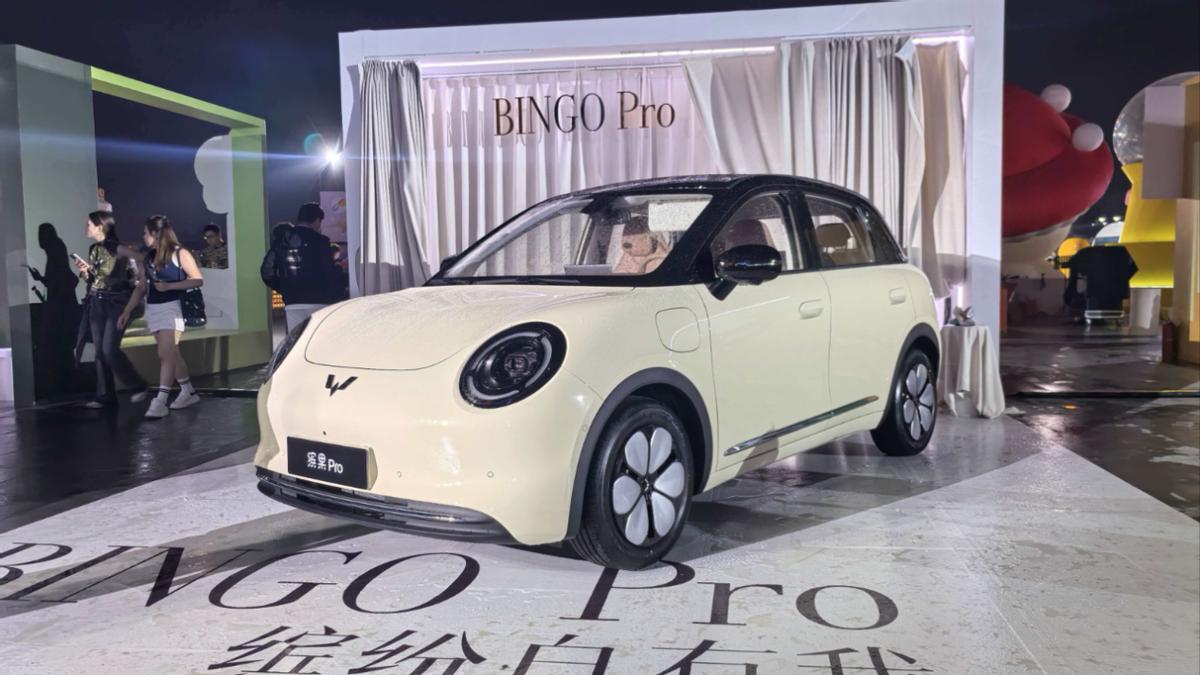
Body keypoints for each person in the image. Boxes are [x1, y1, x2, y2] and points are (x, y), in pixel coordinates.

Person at [72, 211, 148, 408]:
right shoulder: (94, 248)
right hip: (97, 302)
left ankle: (137, 385)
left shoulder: (117, 248)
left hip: (117, 302)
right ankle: (105, 396)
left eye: (89, 224)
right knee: (99, 351)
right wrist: (85, 271)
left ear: (100, 226)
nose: (86, 227)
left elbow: (141, 258)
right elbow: (96, 278)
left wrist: (141, 276)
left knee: (109, 349)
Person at [141, 215, 204, 418]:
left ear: (155, 233)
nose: (143, 236)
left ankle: (160, 400)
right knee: (172, 353)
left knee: (165, 353)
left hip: (172, 307)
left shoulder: (180, 253)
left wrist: (170, 286)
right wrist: (127, 310)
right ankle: (188, 391)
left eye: (145, 233)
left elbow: (197, 280)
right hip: (153, 308)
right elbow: (142, 286)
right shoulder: (149, 257)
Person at [260, 203, 345, 330]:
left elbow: (267, 271)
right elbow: (329, 273)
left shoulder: (284, 240)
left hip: (292, 301)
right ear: (317, 220)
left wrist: (283, 286)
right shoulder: (321, 241)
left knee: (297, 338)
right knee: (317, 338)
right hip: (319, 300)